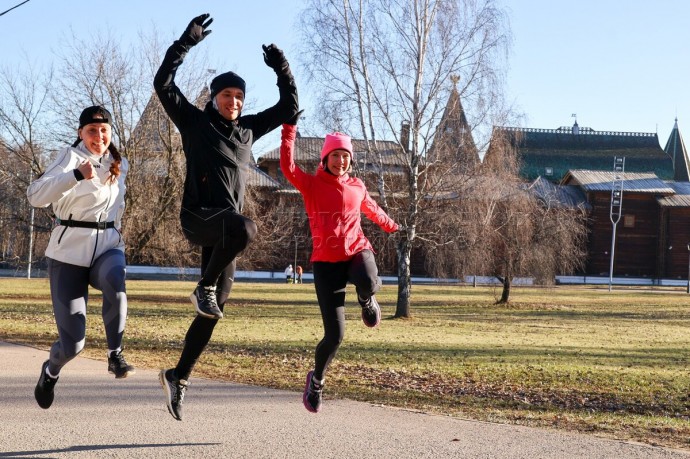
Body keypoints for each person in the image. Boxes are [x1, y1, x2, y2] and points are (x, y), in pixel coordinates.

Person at [153, 13, 298, 421]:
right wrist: (186, 41)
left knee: (214, 310)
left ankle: (178, 376)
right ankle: (203, 285)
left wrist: (282, 69)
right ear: (214, 98)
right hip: (199, 218)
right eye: (226, 95)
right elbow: (163, 83)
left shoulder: (248, 131)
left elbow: (289, 107)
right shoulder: (195, 123)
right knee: (245, 227)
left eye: (239, 96)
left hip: (225, 232)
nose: (233, 102)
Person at [280, 117, 399, 413]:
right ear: (326, 157)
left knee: (369, 279)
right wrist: (289, 129)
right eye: (336, 155)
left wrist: (391, 225)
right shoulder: (310, 184)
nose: (341, 161)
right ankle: (316, 381)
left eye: (346, 156)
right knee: (335, 336)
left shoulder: (357, 186)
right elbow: (287, 166)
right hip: (326, 264)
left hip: (356, 251)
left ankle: (366, 300)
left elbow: (370, 208)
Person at [27, 105, 134, 410]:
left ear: (110, 132)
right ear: (80, 133)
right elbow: (35, 196)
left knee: (117, 281)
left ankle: (115, 354)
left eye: (103, 131)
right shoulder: (70, 158)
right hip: (68, 254)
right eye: (91, 131)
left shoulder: (119, 163)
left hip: (107, 247)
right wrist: (74, 176)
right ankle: (50, 372)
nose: (98, 136)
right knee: (74, 344)